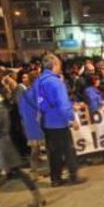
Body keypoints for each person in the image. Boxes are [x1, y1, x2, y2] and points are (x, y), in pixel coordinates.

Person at [0, 78, 46, 207]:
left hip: (1, 148)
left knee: (11, 173)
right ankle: (38, 197)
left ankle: (38, 197)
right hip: (1, 147)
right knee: (10, 174)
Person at [34, 53, 84, 187]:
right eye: (59, 65)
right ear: (54, 65)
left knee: (54, 152)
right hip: (58, 122)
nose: (60, 68)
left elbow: (39, 101)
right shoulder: (56, 82)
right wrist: (71, 119)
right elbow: (63, 103)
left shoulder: (39, 81)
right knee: (68, 149)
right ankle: (73, 176)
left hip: (46, 121)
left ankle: (55, 179)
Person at [18, 71, 47, 177]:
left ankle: (33, 172)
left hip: (29, 125)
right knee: (50, 148)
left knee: (34, 150)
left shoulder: (25, 94)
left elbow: (21, 110)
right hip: (40, 124)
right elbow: (43, 106)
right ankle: (53, 169)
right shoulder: (38, 92)